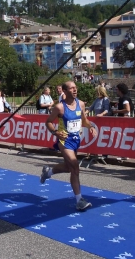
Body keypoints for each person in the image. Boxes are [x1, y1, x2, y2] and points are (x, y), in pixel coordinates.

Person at [41, 81, 97, 211]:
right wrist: (55, 132)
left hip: (76, 140)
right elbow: (48, 122)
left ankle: (48, 172)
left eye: (75, 88)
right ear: (65, 91)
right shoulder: (60, 107)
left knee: (68, 167)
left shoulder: (81, 104)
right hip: (64, 141)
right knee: (75, 167)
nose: (75, 90)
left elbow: (83, 119)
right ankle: (79, 201)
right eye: (71, 88)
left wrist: (91, 127)